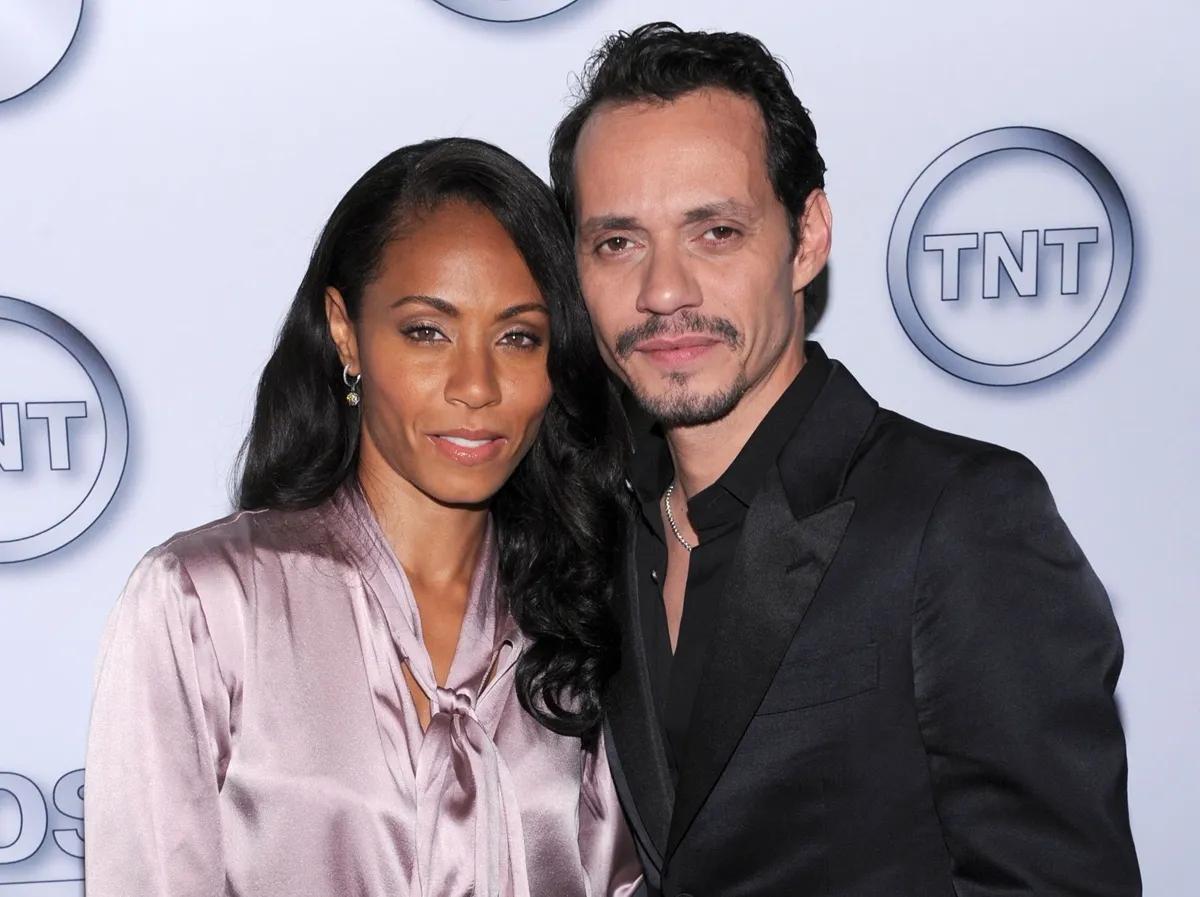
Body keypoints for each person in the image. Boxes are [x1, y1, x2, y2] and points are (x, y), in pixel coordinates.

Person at [549, 22, 1141, 897]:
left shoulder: (959, 518)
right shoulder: (594, 532)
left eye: (713, 231)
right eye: (618, 242)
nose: (663, 291)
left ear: (809, 235)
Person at [83, 137, 642, 897]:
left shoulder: (586, 621)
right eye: (427, 330)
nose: (476, 384)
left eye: (518, 337)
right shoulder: (204, 605)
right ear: (346, 331)